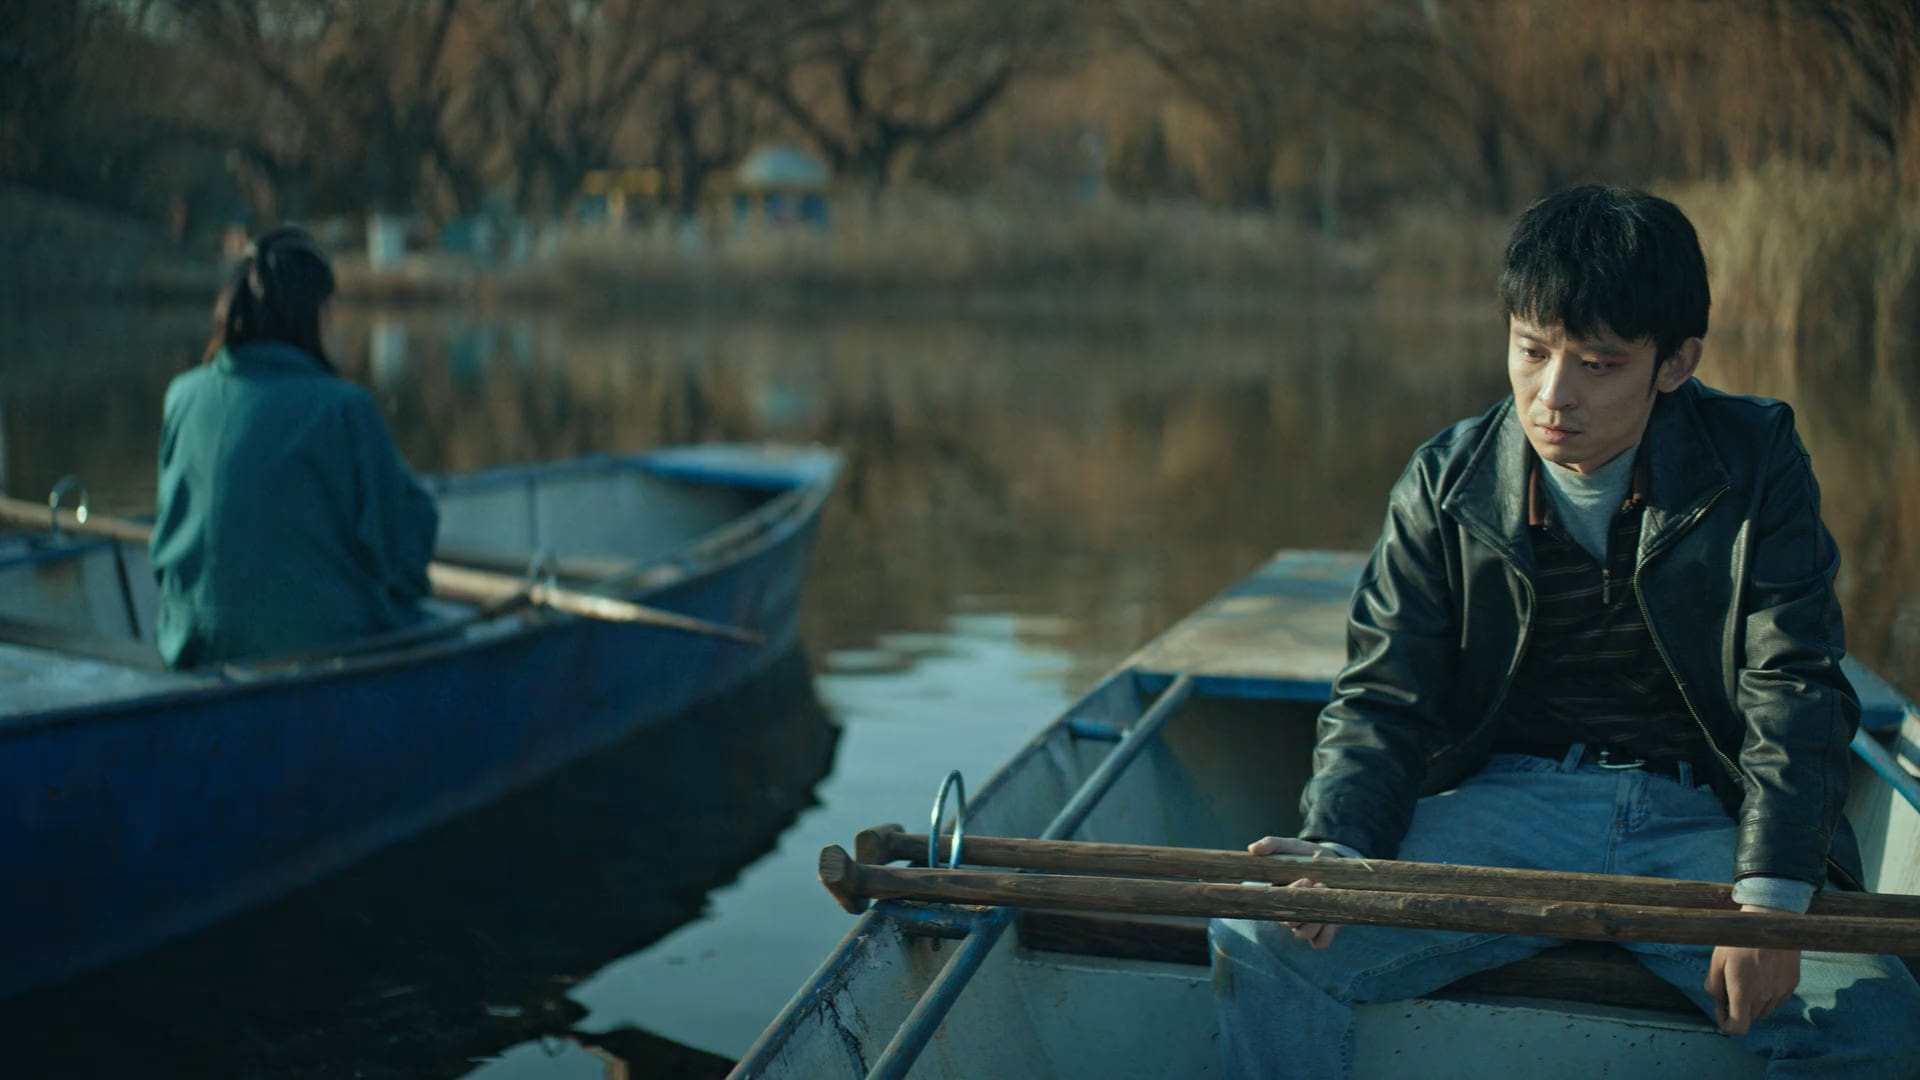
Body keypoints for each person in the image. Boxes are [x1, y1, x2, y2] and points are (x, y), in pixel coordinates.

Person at [1209, 186, 1920, 1077]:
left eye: (1598, 364)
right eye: (1533, 350)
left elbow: (1795, 685)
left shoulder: (1756, 461)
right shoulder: (1446, 482)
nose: (1553, 396)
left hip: (1703, 821)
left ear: (1675, 363)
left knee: (1878, 1020)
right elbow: (1383, 698)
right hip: (1503, 812)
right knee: (1260, 937)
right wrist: (1339, 845)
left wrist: (1772, 901)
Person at [150, 226, 439, 668]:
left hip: (190, 643)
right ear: (314, 314)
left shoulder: (181, 396)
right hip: (320, 645)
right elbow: (404, 548)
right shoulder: (342, 409)